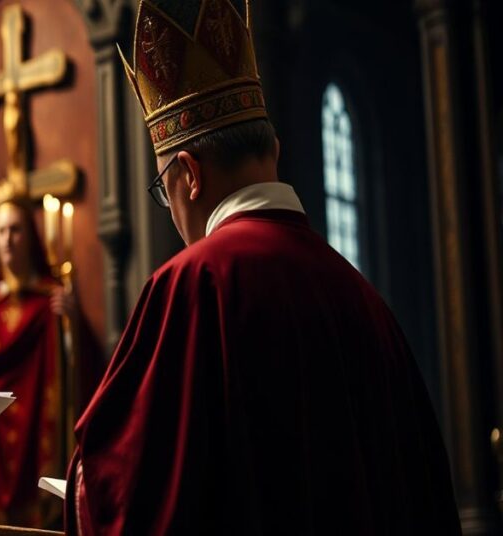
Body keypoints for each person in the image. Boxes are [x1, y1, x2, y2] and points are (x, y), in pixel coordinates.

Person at [65, 1, 460, 534]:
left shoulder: (193, 283)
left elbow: (131, 500)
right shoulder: (368, 302)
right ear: (272, 149)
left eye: (164, 189)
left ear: (188, 174)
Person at [0, 200, 100, 528]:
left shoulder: (51, 306)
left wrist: (73, 326)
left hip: (40, 450)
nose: (8, 239)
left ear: (30, 237)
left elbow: (87, 372)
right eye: (0, 231)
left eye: (16, 229)